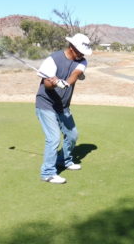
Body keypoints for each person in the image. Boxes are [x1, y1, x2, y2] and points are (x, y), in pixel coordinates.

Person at [35, 33, 92, 184]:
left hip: (63, 106)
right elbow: (46, 85)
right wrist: (53, 82)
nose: (82, 55)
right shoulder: (53, 60)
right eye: (80, 51)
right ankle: (47, 173)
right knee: (53, 138)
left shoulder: (83, 61)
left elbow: (76, 73)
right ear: (72, 48)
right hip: (46, 103)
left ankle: (63, 160)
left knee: (73, 135)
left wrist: (66, 83)